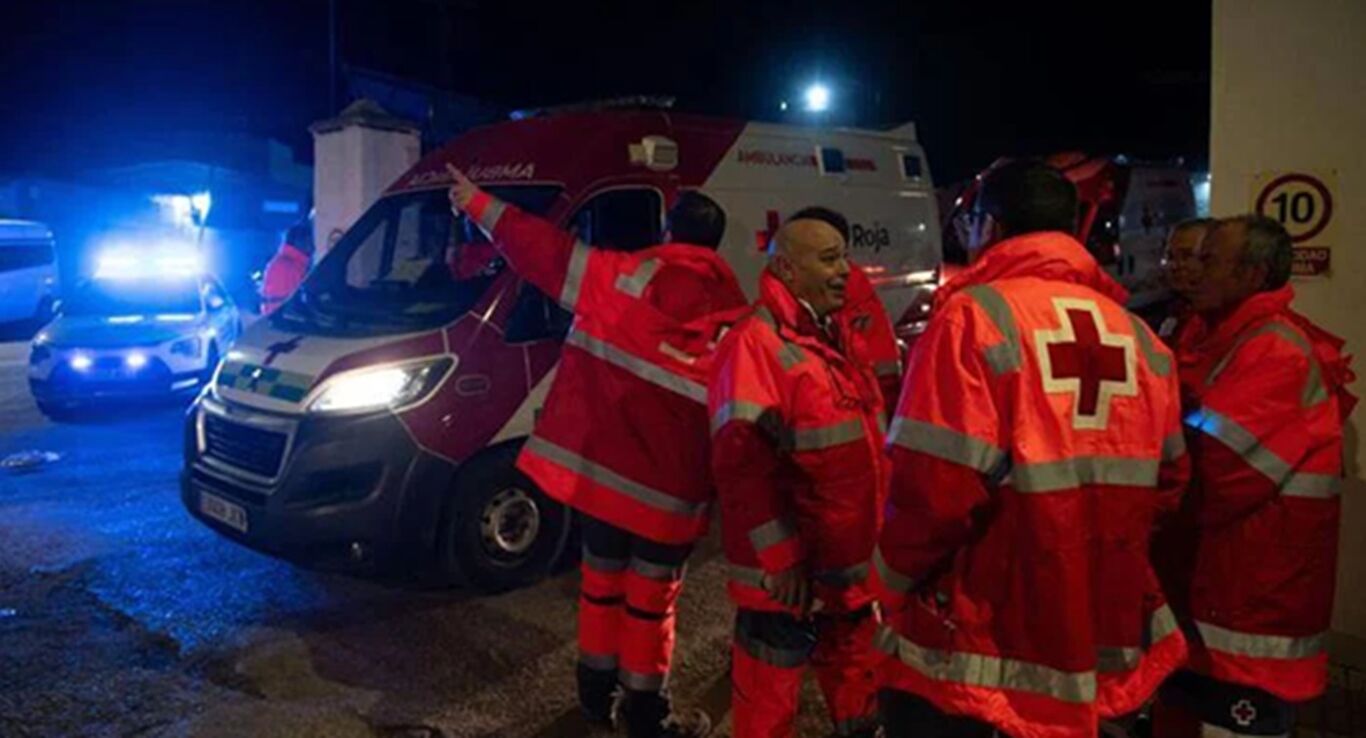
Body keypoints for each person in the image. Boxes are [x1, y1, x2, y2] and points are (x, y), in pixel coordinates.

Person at [872, 160, 1190, 738]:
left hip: (985, 623)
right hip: (1097, 613)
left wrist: (887, 581)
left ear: (989, 228)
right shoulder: (1140, 338)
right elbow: (1167, 483)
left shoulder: (973, 319)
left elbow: (934, 489)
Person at [448, 167, 747, 738]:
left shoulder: (615, 276)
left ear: (667, 230)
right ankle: (644, 711)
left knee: (601, 586)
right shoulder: (736, 318)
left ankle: (594, 693)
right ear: (715, 244)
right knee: (651, 603)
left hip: (602, 481)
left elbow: (542, 249)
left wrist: (477, 201)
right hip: (670, 495)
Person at [1152, 215, 1355, 737]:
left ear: (1253, 274)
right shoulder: (1221, 336)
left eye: (1209, 259)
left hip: (1248, 608)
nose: (1194, 270)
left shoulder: (1274, 350)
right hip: (1217, 597)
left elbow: (1217, 473)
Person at [709, 206, 888, 738]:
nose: (845, 271)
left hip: (845, 565)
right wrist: (781, 557)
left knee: (857, 684)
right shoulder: (755, 344)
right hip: (787, 579)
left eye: (845, 258)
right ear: (787, 268)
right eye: (830, 259)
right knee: (769, 698)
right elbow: (740, 462)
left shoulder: (832, 334)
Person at [1156, 218, 1215, 341]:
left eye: (1187, 256)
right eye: (1171, 257)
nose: (1175, 266)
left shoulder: (1216, 318)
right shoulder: (1172, 313)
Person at [260, 221, 313, 315]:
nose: (312, 246)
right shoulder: (288, 267)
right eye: (309, 241)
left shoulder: (287, 263)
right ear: (299, 241)